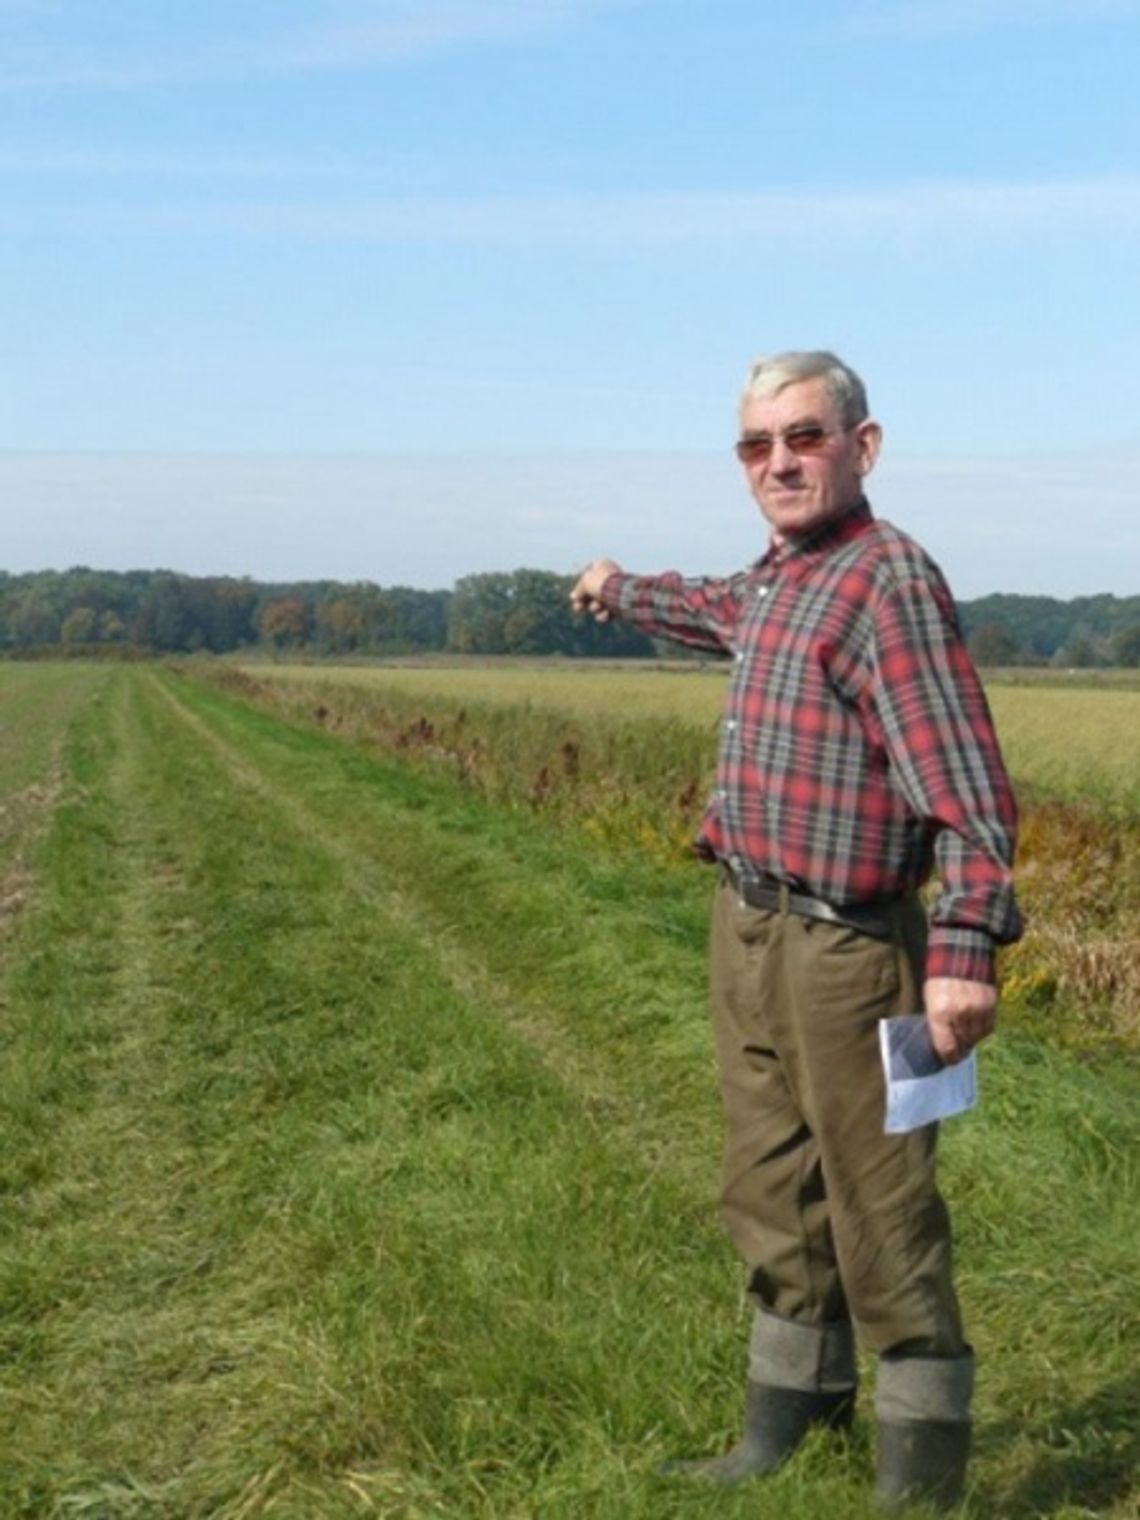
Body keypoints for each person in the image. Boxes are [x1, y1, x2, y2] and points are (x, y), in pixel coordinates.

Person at [570, 350, 1021, 1512]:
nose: (778, 462)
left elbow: (966, 788)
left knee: (882, 1206)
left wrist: (965, 949)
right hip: (751, 926)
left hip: (855, 953)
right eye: (756, 444)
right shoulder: (782, 579)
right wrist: (617, 587)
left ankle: (919, 1481)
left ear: (862, 447)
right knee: (772, 1188)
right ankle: (788, 1430)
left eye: (803, 436)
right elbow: (708, 607)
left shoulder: (886, 583)